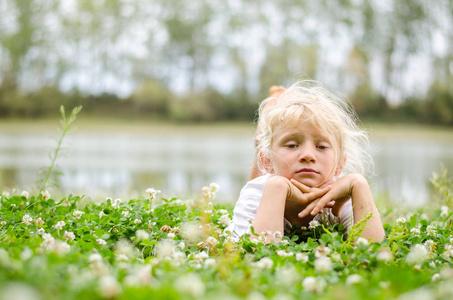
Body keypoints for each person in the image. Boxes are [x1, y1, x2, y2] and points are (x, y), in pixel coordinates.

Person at [227, 81, 385, 243]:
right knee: (260, 175)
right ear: (266, 160)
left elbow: (373, 253)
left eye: (321, 146)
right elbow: (255, 254)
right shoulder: (255, 193)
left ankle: (270, 127)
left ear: (340, 164)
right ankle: (262, 138)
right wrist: (277, 188)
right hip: (266, 175)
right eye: (292, 145)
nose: (308, 155)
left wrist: (359, 184)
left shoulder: (343, 196)